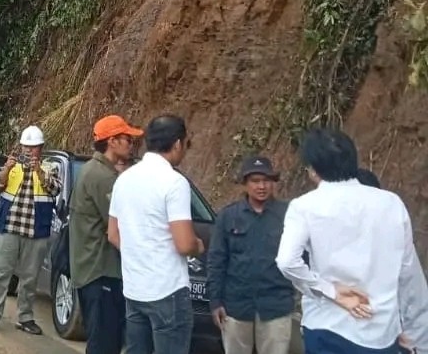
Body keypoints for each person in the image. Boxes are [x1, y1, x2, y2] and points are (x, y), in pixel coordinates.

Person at [276, 127, 428, 354]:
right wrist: (420, 339)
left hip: (327, 329)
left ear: (313, 170)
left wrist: (331, 291)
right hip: (381, 333)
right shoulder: (391, 204)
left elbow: (287, 261)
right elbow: (409, 277)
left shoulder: (304, 206)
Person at [107, 115, 204, 354]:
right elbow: (184, 244)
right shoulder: (174, 182)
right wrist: (198, 245)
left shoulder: (124, 179)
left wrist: (139, 251)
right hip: (167, 290)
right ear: (178, 144)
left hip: (134, 289)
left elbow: (113, 234)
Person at [69, 115, 144, 354]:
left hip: (93, 270)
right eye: (127, 139)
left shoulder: (93, 171)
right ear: (112, 141)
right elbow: (119, 228)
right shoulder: (103, 177)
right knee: (104, 343)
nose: (131, 145)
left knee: (105, 340)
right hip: (100, 271)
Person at [0, 125, 62, 336]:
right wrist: (6, 168)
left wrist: (39, 172)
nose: (28, 151)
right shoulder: (11, 166)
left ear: (40, 149)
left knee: (30, 278)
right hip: (8, 228)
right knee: (0, 274)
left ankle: (25, 317)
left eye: (33, 148)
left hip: (36, 231)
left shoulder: (49, 168)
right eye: (26, 147)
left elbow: (55, 189)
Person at [207, 155, 295, 354]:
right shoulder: (228, 216)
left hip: (276, 306)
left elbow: (300, 257)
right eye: (255, 181)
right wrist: (216, 302)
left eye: (266, 180)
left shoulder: (289, 215)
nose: (261, 186)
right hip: (236, 307)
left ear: (273, 183)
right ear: (244, 184)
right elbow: (216, 261)